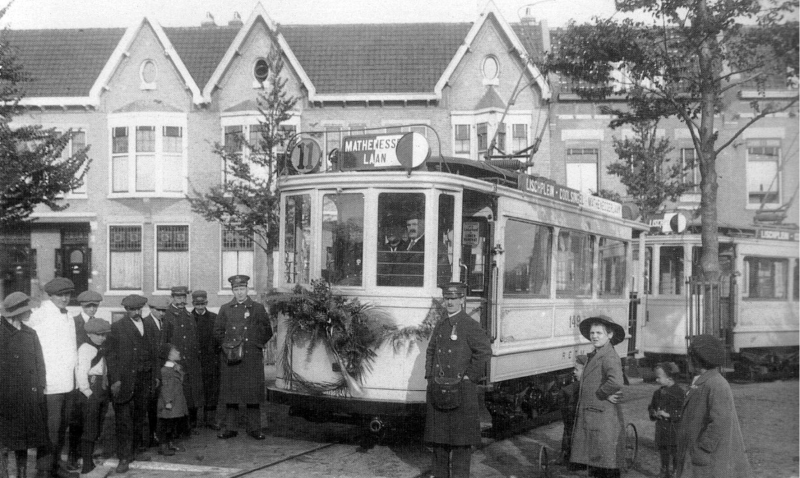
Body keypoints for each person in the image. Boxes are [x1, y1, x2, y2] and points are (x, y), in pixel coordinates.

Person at [424, 282, 491, 478]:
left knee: (461, 445)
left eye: (454, 298)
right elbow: (430, 351)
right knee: (439, 445)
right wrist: (430, 376)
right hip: (439, 391)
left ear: (462, 299)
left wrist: (470, 377)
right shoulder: (441, 324)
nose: (450, 302)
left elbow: (484, 351)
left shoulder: (470, 325)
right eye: (447, 298)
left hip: (462, 392)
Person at [676, 335, 753, 478]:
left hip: (709, 456)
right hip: (697, 452)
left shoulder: (716, 384)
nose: (687, 360)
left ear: (697, 359)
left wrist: (703, 448)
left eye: (689, 357)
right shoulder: (703, 381)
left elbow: (720, 421)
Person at [28, 277, 78, 478]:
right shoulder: (40, 315)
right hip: (50, 384)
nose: (65, 299)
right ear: (50, 296)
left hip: (68, 382)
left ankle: (56, 466)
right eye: (60, 295)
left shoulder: (69, 315)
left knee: (62, 427)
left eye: (67, 295)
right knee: (50, 429)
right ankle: (44, 470)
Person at [214, 275, 273, 440]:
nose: (239, 292)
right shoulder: (225, 309)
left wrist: (255, 344)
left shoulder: (257, 308)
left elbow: (267, 331)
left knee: (252, 394)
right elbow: (217, 332)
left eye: (242, 289)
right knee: (231, 394)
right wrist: (228, 347)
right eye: (236, 289)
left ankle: (254, 428)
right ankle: (230, 428)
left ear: (247, 289)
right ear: (232, 291)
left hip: (251, 358)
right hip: (232, 358)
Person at [106, 294, 157, 474]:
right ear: (126, 310)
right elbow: (111, 356)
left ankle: (135, 451)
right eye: (132, 309)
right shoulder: (117, 327)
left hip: (144, 379)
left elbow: (154, 352)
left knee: (139, 417)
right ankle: (124, 457)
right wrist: (116, 379)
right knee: (123, 421)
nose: (136, 312)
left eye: (138, 309)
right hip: (125, 381)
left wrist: (155, 376)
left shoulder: (148, 325)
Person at [571, 315, 626, 478]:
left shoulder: (608, 356)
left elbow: (616, 381)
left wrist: (602, 393)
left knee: (604, 462)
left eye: (599, 333)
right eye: (592, 333)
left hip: (601, 416)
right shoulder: (597, 353)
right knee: (597, 462)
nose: (594, 336)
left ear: (609, 335)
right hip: (595, 415)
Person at [0, 292, 48, 478]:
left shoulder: (30, 333)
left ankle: (22, 475)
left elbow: (39, 365)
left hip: (26, 397)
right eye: (27, 310)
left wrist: (39, 390)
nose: (31, 312)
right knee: (4, 443)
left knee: (24, 441)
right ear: (16, 312)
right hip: (5, 398)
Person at [67, 290, 103, 471]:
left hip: (92, 376)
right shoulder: (73, 323)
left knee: (90, 420)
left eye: (95, 306)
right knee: (76, 421)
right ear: (81, 306)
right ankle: (73, 455)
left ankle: (85, 453)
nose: (92, 309)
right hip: (76, 376)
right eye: (88, 306)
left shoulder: (99, 324)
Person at [162, 286, 204, 435]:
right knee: (177, 395)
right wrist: (170, 362)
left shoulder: (189, 315)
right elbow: (165, 342)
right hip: (176, 363)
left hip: (191, 362)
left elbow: (195, 338)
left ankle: (190, 426)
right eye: (178, 298)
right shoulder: (167, 315)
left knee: (192, 395)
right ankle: (176, 429)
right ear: (172, 298)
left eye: (183, 298)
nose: (181, 301)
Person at [74, 317, 111, 478]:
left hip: (101, 388)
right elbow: (81, 372)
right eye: (98, 334)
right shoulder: (86, 348)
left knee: (97, 425)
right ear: (89, 334)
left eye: (104, 335)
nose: (102, 337)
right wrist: (88, 392)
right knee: (89, 427)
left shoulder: (101, 347)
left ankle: (89, 462)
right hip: (91, 388)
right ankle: (87, 465)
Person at [191, 290, 221, 430]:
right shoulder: (188, 318)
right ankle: (192, 422)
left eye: (202, 304)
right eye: (197, 304)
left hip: (210, 361)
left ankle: (210, 420)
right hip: (195, 361)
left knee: (211, 391)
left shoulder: (214, 318)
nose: (200, 307)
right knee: (194, 390)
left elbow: (219, 337)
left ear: (206, 303)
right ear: (193, 304)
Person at [648, 362, 684, 478]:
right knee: (663, 450)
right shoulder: (657, 393)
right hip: (662, 429)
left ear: (669, 378)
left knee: (675, 451)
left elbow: (684, 411)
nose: (656, 380)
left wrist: (669, 414)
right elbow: (652, 407)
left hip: (674, 429)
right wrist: (653, 413)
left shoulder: (680, 393)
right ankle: (664, 470)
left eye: (659, 377)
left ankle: (676, 471)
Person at [143, 296, 169, 448]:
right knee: (151, 405)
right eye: (159, 310)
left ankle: (159, 434)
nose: (162, 313)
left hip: (162, 368)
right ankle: (151, 435)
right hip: (152, 370)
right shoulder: (146, 323)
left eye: (164, 311)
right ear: (151, 309)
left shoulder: (164, 323)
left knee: (161, 403)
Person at [156, 344, 188, 457]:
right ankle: (163, 446)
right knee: (165, 424)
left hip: (176, 401)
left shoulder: (174, 367)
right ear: (169, 355)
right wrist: (168, 402)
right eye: (175, 351)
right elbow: (165, 387)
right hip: (169, 403)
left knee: (171, 423)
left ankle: (169, 443)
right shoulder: (166, 370)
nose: (178, 353)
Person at [557, 354, 587, 468]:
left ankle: (567, 454)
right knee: (569, 428)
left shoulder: (580, 385)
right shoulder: (579, 384)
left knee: (569, 428)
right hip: (575, 413)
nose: (574, 372)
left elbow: (563, 393)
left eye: (577, 369)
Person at [377, 220, 408, 286]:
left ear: (401, 231)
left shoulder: (408, 249)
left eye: (394, 229)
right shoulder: (381, 250)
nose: (391, 232)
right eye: (388, 229)